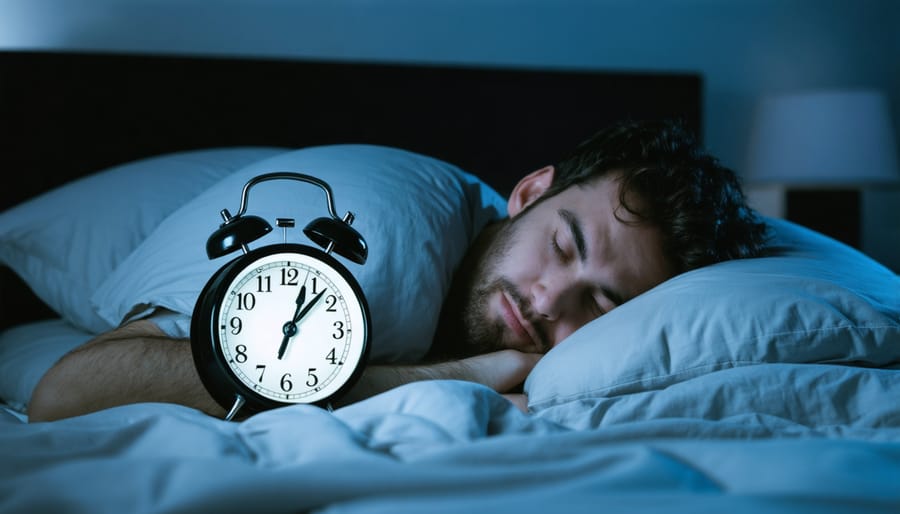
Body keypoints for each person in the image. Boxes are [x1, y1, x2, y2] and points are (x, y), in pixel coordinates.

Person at [28, 119, 769, 422]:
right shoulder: (376, 226)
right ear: (530, 192)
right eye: (566, 246)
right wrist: (470, 373)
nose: (548, 300)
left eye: (600, 303)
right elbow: (73, 388)